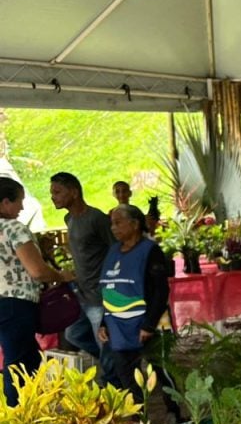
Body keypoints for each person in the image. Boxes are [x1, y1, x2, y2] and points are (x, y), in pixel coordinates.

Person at [0, 175, 74, 404]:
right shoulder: (13, 228)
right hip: (17, 303)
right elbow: (37, 271)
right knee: (19, 364)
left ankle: (27, 412)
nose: (22, 207)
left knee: (24, 357)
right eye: (19, 201)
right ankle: (19, 418)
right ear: (5, 203)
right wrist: (61, 275)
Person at [97, 205, 172, 409]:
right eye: (112, 223)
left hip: (150, 323)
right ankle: (138, 416)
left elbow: (160, 291)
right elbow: (110, 287)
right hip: (118, 325)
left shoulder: (150, 251)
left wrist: (148, 325)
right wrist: (104, 322)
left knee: (161, 370)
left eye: (118, 222)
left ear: (135, 224)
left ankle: (174, 413)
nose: (113, 228)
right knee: (126, 374)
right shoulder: (113, 251)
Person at [50, 171, 117, 383]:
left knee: (103, 340)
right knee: (73, 335)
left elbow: (115, 249)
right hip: (81, 292)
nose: (53, 197)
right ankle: (115, 362)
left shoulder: (96, 218)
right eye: (52, 193)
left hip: (99, 293)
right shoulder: (68, 218)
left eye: (58, 192)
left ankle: (113, 382)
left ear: (74, 192)